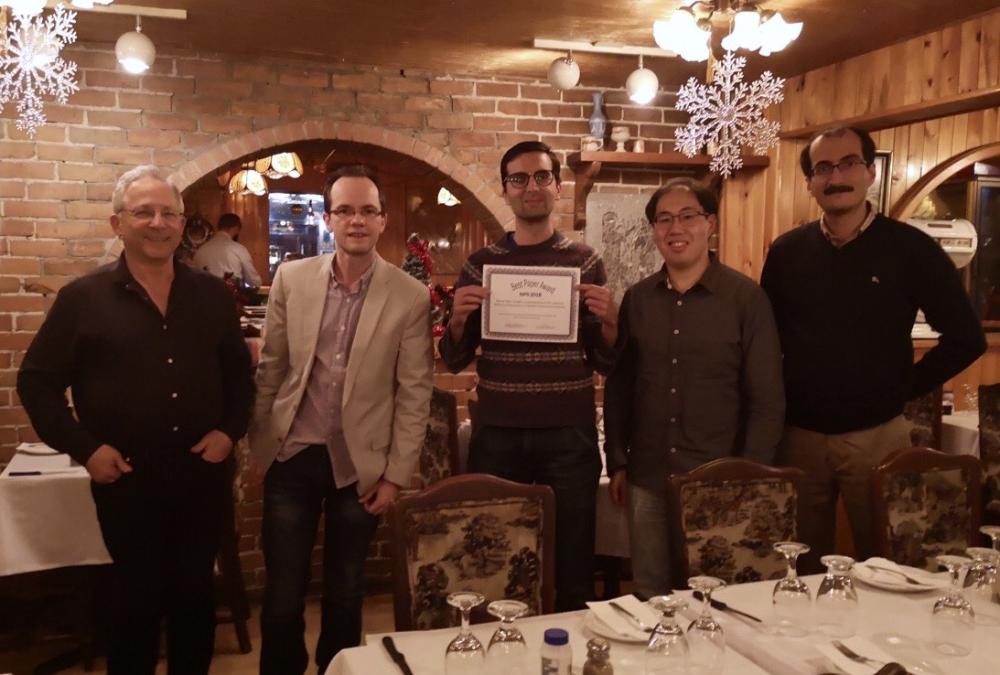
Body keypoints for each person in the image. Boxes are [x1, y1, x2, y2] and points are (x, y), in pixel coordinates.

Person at [17, 165, 253, 675]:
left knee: (195, 602)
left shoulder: (212, 296)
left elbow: (240, 378)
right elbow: (35, 384)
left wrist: (228, 432)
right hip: (125, 479)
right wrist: (85, 448)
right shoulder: (82, 299)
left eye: (169, 212)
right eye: (143, 211)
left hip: (200, 476)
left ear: (183, 223)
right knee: (131, 609)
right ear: (116, 223)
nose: (158, 222)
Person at [760, 126, 987, 571]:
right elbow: (768, 339)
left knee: (887, 561)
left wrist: (902, 388)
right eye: (823, 168)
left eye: (848, 164)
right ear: (810, 182)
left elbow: (967, 338)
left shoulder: (911, 249)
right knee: (797, 562)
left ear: (869, 173)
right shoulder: (787, 253)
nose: (836, 177)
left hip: (878, 435)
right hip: (799, 437)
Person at [249, 164, 433, 674]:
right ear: (328, 218)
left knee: (345, 594)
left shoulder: (409, 297)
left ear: (382, 220)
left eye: (368, 211)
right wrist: (258, 447)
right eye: (346, 210)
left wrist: (397, 475)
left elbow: (414, 393)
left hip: (362, 467)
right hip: (293, 455)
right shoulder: (292, 278)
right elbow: (273, 368)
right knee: (283, 595)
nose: (357, 220)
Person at [438, 141, 618, 611]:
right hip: (498, 435)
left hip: (569, 437)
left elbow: (605, 360)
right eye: (519, 179)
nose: (531, 187)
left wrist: (612, 326)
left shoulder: (585, 261)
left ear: (557, 187)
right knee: (496, 564)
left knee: (574, 566)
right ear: (506, 190)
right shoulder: (481, 264)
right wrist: (457, 322)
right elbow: (455, 360)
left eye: (541, 177)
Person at [603, 178, 785, 597]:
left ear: (710, 224)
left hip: (717, 479)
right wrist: (617, 460)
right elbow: (621, 385)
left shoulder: (746, 300)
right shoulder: (638, 298)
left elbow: (767, 400)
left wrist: (748, 475)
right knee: (651, 592)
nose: (675, 228)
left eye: (688, 216)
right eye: (663, 219)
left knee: (716, 595)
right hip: (647, 476)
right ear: (653, 231)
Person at [192, 212, 263, 286]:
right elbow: (254, 281)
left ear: (219, 227)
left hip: (204, 296)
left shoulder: (200, 251)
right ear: (236, 228)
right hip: (230, 295)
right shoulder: (239, 250)